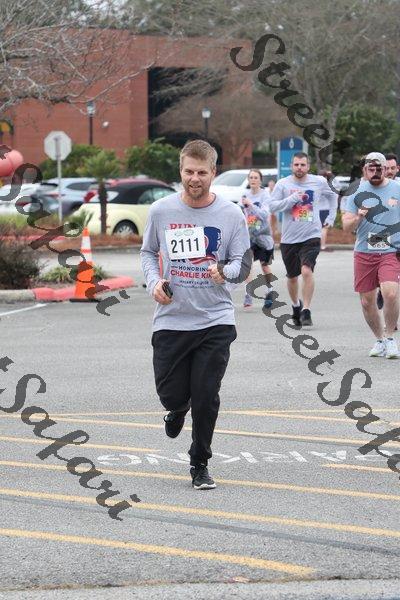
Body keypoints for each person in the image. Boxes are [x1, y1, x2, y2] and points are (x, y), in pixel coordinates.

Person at [140, 139, 250, 490]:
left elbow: (243, 262)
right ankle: (176, 409)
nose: (195, 179)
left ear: (213, 172)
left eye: (202, 172)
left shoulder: (231, 215)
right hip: (172, 318)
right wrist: (154, 282)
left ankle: (199, 462)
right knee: (171, 394)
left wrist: (226, 272)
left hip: (216, 320)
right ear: (180, 170)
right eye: (189, 171)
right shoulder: (161, 211)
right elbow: (148, 252)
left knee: (206, 396)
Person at [269, 152, 338, 326]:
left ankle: (306, 310)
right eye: (296, 165)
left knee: (307, 271)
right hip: (289, 239)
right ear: (291, 166)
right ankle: (296, 305)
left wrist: (330, 217)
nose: (299, 168)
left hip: (311, 235)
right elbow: (272, 206)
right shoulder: (283, 184)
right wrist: (291, 199)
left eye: (303, 165)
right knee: (292, 277)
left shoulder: (318, 182)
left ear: (308, 166)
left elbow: (333, 195)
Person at [342, 152, 400, 358]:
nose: (375, 172)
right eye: (370, 169)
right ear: (365, 170)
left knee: (390, 293)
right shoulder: (356, 192)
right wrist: (358, 216)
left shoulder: (397, 189)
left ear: (386, 169)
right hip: (364, 252)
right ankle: (380, 339)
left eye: (379, 168)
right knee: (367, 302)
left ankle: (390, 337)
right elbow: (346, 226)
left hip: (390, 251)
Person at [240, 169, 275, 309]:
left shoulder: (265, 195)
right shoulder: (245, 195)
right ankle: (248, 293)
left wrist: (251, 205)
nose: (253, 180)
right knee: (247, 264)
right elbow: (243, 214)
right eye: (251, 177)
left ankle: (270, 290)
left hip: (263, 235)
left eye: (256, 178)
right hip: (250, 235)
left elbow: (264, 215)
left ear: (260, 180)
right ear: (248, 180)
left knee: (264, 265)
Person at [376, 153, 400, 311]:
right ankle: (381, 288)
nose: (390, 171)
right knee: (379, 264)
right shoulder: (375, 186)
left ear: (397, 168)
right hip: (379, 233)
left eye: (393, 168)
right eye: (387, 168)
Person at [318, 169, 334, 251]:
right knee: (324, 228)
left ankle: (317, 245)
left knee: (316, 229)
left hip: (316, 209)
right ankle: (322, 246)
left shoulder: (315, 184)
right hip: (325, 209)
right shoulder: (327, 185)